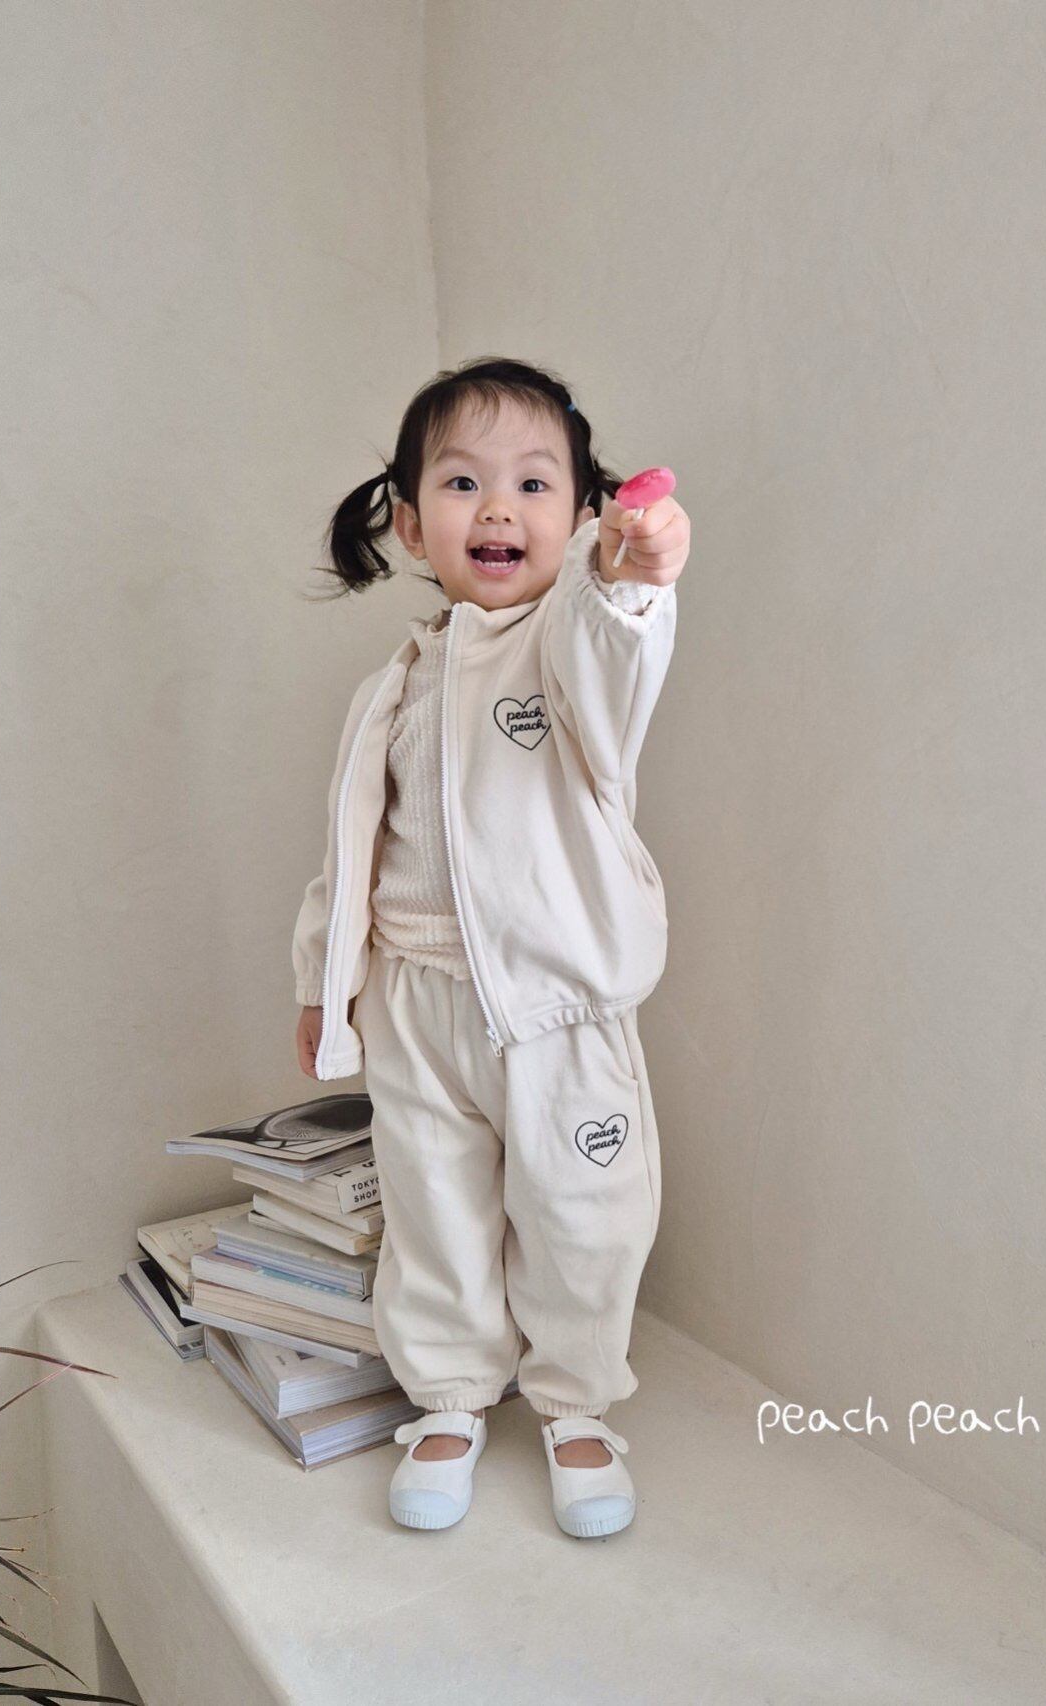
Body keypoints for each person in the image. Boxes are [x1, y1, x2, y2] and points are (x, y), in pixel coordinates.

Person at [291, 356, 688, 1538]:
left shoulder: (564, 646)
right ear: (413, 524)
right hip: (415, 1000)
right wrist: (322, 986)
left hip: (556, 1007)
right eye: (462, 482)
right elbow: (347, 855)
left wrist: (628, 579)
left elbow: (613, 650)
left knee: (582, 1211)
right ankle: (450, 1396)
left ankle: (573, 1402)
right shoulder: (392, 687)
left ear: (579, 514)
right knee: (434, 1209)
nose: (498, 508)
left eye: (532, 483)